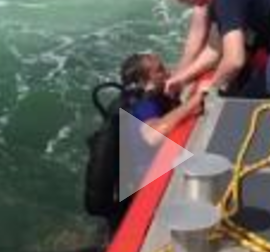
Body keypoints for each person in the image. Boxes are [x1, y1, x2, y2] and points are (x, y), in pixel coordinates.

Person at [84, 53, 203, 232]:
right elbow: (152, 135)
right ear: (144, 80)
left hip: (129, 182)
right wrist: (194, 103)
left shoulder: (136, 99)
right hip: (140, 187)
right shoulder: (145, 104)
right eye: (160, 70)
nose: (168, 72)